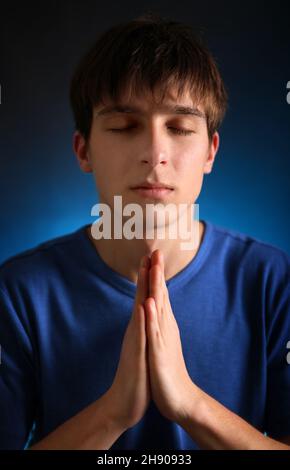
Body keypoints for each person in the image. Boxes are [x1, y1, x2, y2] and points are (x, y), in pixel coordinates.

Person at [0, 13, 289, 450]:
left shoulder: (271, 281)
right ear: (84, 150)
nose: (155, 153)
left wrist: (189, 404)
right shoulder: (20, 292)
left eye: (179, 127)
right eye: (124, 126)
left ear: (210, 151)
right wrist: (113, 412)